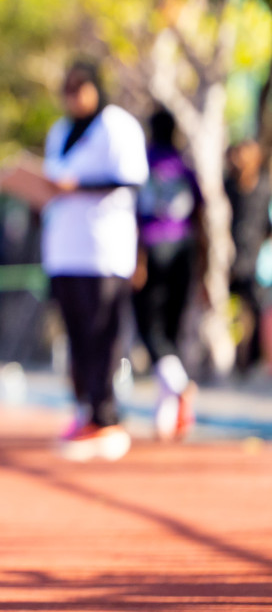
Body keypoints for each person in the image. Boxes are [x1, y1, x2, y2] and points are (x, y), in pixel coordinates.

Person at [6, 61, 148, 462]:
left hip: (104, 250)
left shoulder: (117, 126)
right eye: (66, 89)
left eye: (79, 87)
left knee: (103, 332)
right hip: (63, 250)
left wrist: (77, 186)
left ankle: (107, 416)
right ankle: (86, 408)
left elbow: (131, 180)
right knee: (75, 334)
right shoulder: (59, 131)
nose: (73, 97)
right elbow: (53, 183)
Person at [133, 108, 199, 439]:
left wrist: (139, 258)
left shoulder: (142, 165)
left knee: (149, 327)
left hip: (153, 249)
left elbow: (134, 215)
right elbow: (199, 212)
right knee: (170, 331)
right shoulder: (184, 167)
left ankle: (179, 385)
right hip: (184, 250)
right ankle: (167, 413)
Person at [226, 139, 271, 373]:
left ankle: (253, 361)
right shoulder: (227, 187)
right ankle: (230, 359)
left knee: (255, 308)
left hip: (257, 261)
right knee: (228, 311)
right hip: (229, 259)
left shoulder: (265, 189)